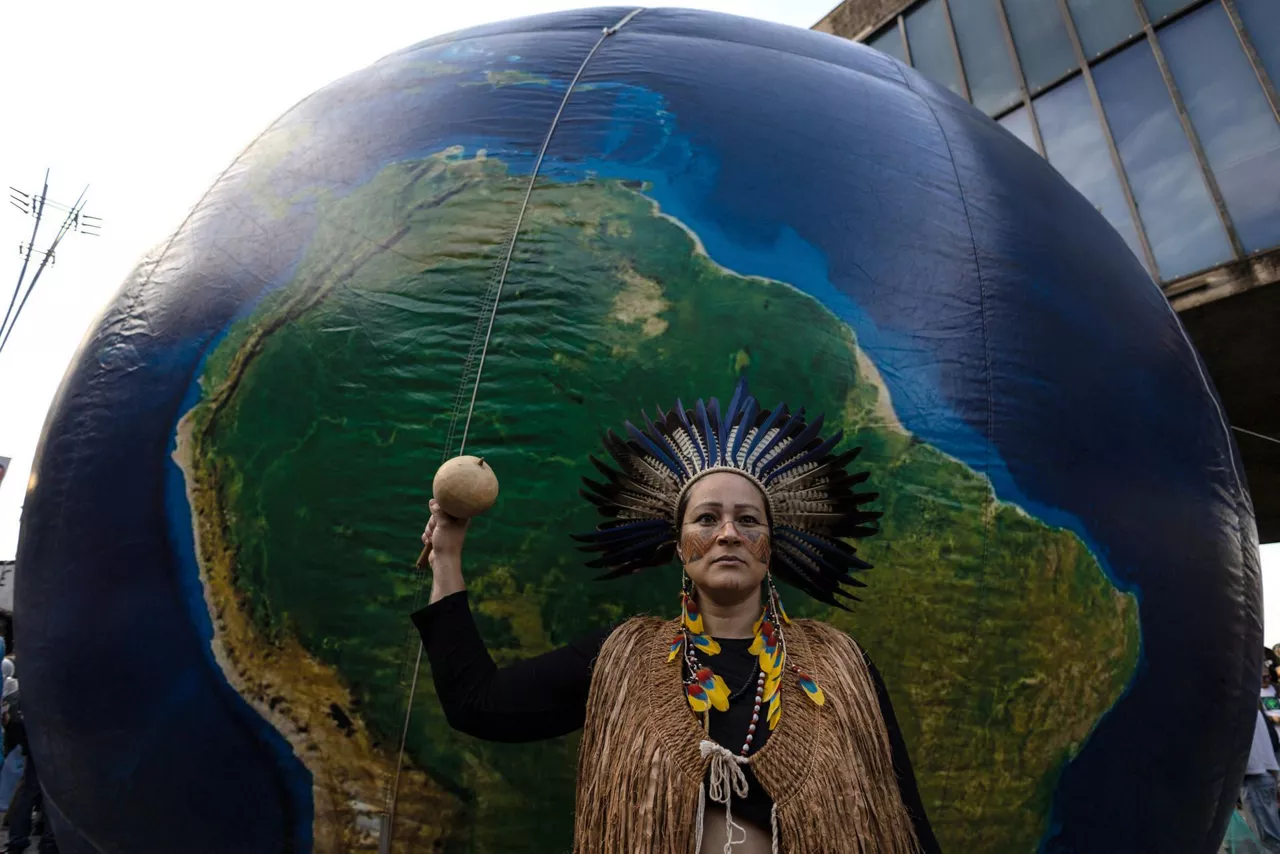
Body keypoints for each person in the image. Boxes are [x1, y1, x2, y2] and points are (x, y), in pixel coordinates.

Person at [412, 379, 939, 853]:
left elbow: (906, 822)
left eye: (748, 520)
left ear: (771, 545)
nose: (728, 534)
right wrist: (448, 558)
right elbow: (477, 704)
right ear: (680, 545)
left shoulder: (842, 666)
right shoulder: (622, 660)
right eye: (707, 518)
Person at [3, 702, 56, 854]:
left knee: (29, 791)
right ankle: (49, 842)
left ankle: (18, 839)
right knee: (50, 793)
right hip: (52, 741)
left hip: (35, 740)